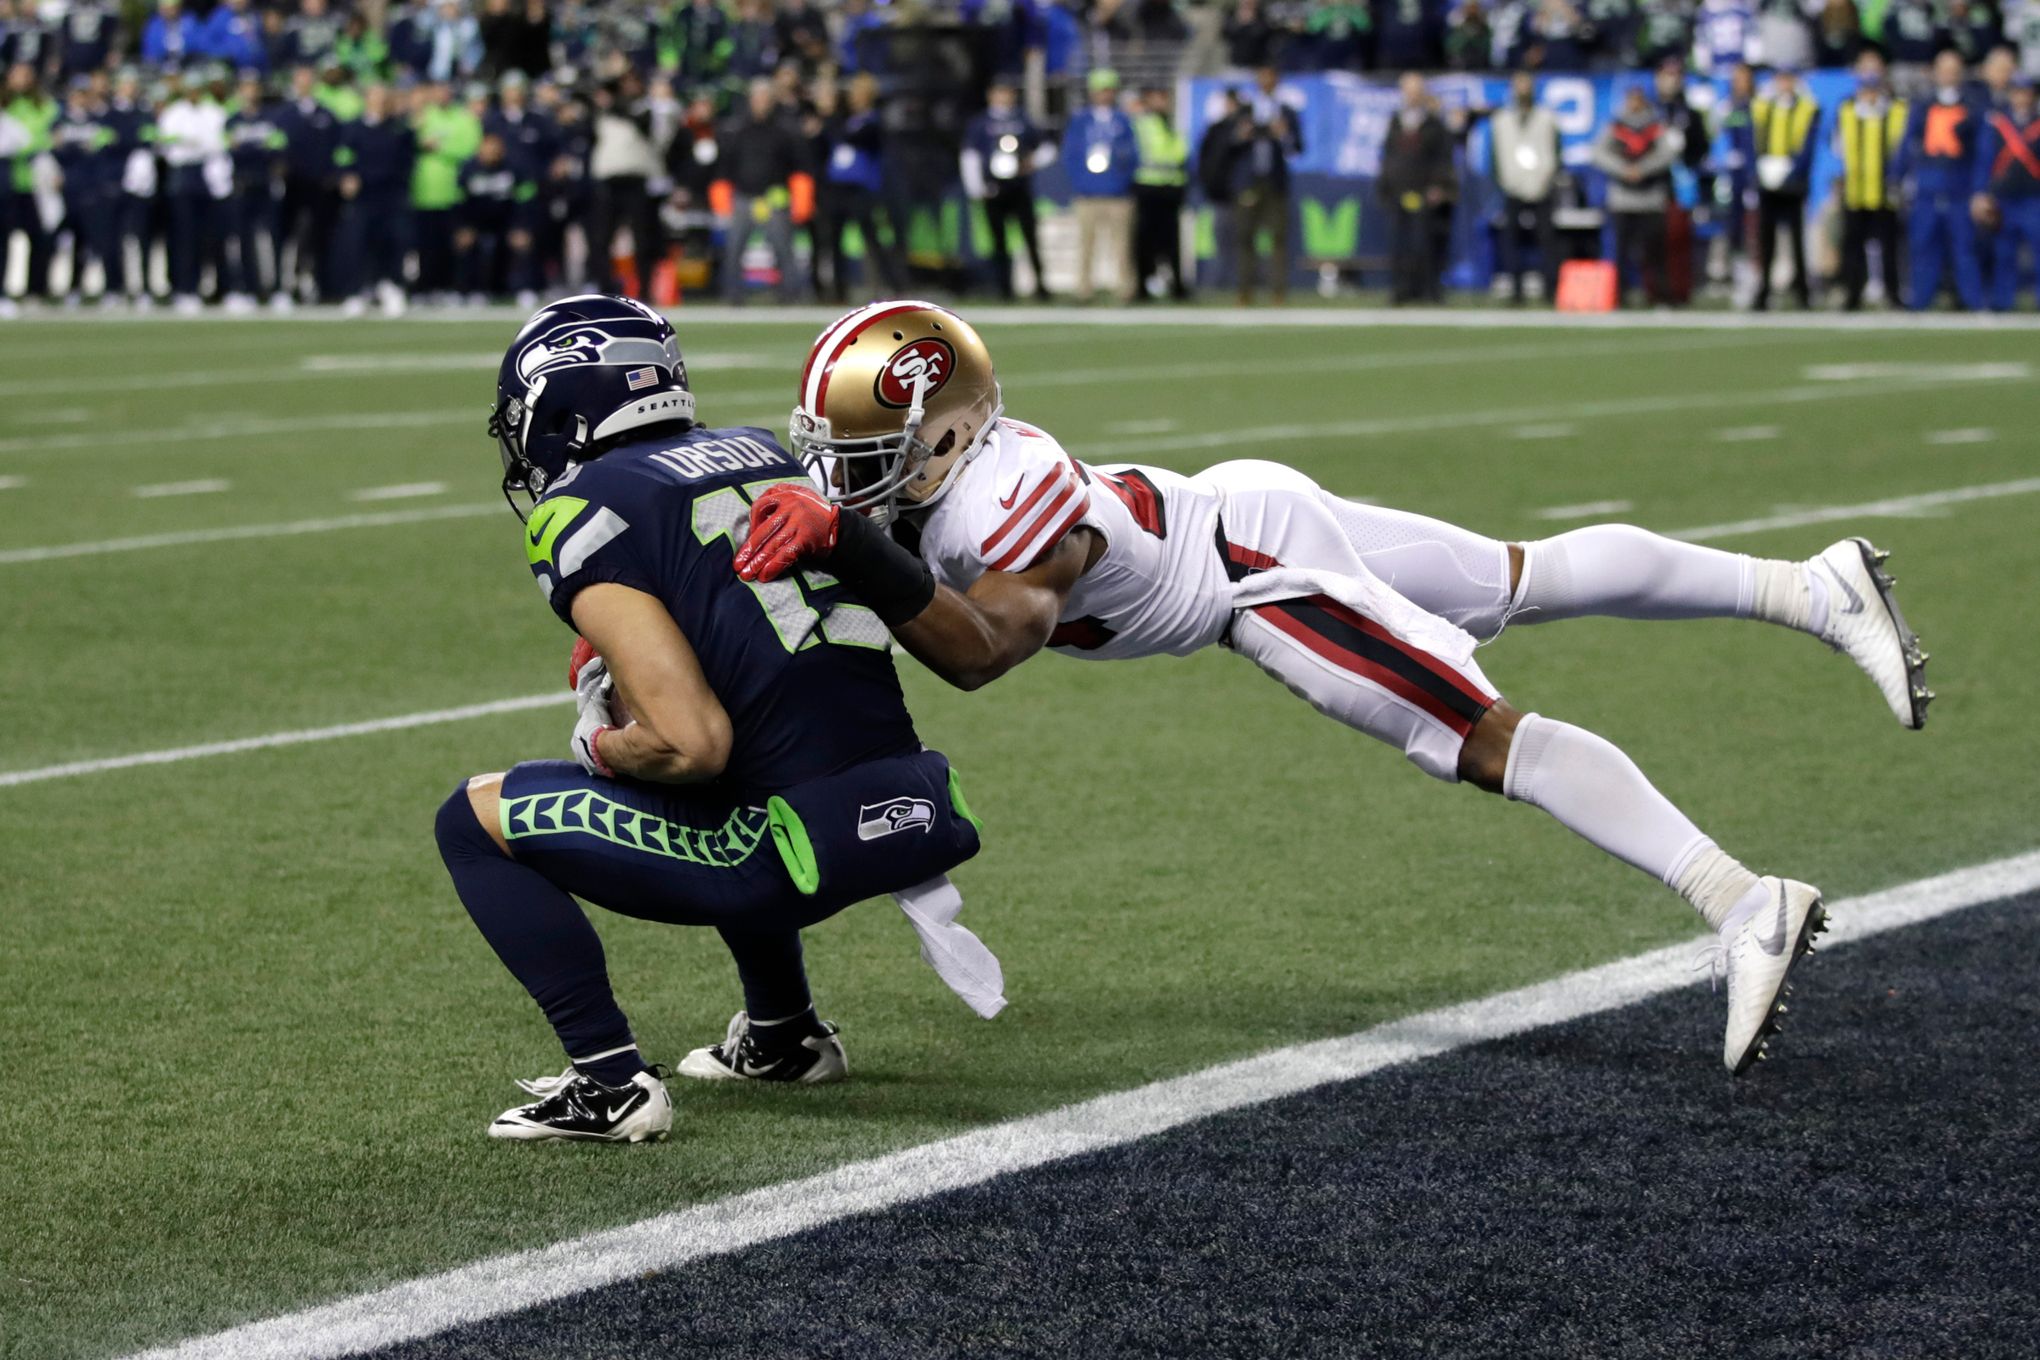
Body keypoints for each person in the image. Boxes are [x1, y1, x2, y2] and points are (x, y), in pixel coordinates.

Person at [739, 299, 1936, 1079]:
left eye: (861, 457)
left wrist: (847, 550)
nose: (841, 478)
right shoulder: (948, 483)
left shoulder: (1006, 496)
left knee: (1477, 734)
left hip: (1254, 573)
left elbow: (981, 650)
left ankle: (1741, 900)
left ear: (949, 433)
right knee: (1524, 575)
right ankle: (1814, 588)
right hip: (1240, 507)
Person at [441, 295, 993, 1142]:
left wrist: (603, 744)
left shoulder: (580, 508)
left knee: (472, 820)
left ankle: (609, 1084)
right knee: (753, 766)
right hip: (906, 805)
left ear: (562, 403)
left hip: (781, 844)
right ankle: (782, 1035)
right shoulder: (764, 453)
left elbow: (689, 743)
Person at [1904, 48, 1986, 309]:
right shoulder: (1923, 104)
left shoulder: (1973, 105)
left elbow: (1981, 152)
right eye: (1944, 70)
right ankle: (1920, 302)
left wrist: (1980, 189)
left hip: (1958, 187)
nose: (1948, 76)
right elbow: (1908, 143)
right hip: (1928, 187)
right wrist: (1897, 177)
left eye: (1953, 70)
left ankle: (1972, 301)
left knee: (1964, 249)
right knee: (1924, 247)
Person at [814, 72, 903, 302]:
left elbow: (856, 138)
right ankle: (838, 291)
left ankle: (893, 285)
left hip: (860, 188)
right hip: (837, 188)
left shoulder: (872, 122)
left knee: (872, 238)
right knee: (834, 240)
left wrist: (829, 117)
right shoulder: (844, 120)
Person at [961, 80, 1052, 300]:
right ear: (991, 94)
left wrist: (1032, 162)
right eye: (1000, 92)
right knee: (998, 240)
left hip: (1019, 186)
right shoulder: (981, 123)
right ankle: (1003, 287)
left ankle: (1040, 285)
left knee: (1030, 237)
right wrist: (976, 187)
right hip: (994, 187)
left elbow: (1047, 147)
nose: (1004, 97)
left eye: (1008, 92)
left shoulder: (1022, 119)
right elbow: (970, 155)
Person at [332, 80, 416, 316]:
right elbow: (342, 156)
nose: (380, 102)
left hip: (392, 194)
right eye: (375, 97)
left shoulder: (400, 128)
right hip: (364, 194)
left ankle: (391, 287)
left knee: (394, 241)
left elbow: (408, 160)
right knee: (358, 242)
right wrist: (346, 176)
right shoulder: (353, 128)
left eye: (383, 98)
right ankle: (356, 292)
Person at [1592, 83, 1680, 307]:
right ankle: (1619, 295)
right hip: (1623, 198)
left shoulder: (1655, 125)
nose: (1634, 103)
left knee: (1655, 252)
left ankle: (1660, 295)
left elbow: (1667, 152)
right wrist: (1623, 170)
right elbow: (1598, 153)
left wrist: (1643, 169)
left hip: (1650, 197)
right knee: (1621, 251)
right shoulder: (1616, 125)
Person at [1835, 49, 1909, 310]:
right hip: (1856, 188)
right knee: (1853, 245)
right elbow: (1837, 147)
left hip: (1884, 188)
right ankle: (1852, 293)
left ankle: (1893, 293)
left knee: (1889, 246)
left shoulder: (1896, 109)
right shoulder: (1847, 109)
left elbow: (1902, 148)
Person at [155, 66, 229, 314]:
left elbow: (217, 144)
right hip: (183, 175)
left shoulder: (213, 112)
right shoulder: (174, 113)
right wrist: (193, 145)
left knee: (210, 236)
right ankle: (185, 289)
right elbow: (169, 147)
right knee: (184, 236)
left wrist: (192, 144)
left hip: (208, 175)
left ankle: (214, 288)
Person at [1062, 67, 1137, 303]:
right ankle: (1084, 289)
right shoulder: (1081, 121)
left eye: (1108, 90)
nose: (1105, 94)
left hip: (1117, 194)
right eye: (1100, 90)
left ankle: (1125, 289)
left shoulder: (1122, 120)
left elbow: (1133, 154)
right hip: (1088, 193)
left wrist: (1122, 181)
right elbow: (1070, 155)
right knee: (1086, 246)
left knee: (1122, 247)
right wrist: (1082, 182)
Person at [1488, 69, 1561, 303]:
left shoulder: (1546, 117)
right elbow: (1495, 156)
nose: (1522, 89)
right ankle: (1516, 289)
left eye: (1526, 84)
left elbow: (1556, 151)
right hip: (1513, 185)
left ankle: (1552, 287)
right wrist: (1504, 180)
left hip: (1541, 184)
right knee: (1511, 238)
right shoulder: (1502, 119)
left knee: (1547, 237)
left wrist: (1547, 178)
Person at [1379, 71, 1452, 304]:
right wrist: (1386, 184)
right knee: (1399, 243)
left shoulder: (1433, 123)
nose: (1411, 96)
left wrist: (1438, 185)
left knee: (1426, 243)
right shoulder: (1396, 120)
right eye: (1408, 91)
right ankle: (1401, 289)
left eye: (1416, 91)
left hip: (1424, 188)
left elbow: (1442, 157)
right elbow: (1388, 155)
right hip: (1399, 188)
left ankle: (1429, 290)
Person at [1750, 63, 1819, 310]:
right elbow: (1755, 139)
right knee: (1765, 240)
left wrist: (1791, 171)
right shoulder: (1763, 105)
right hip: (1767, 181)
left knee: (1797, 240)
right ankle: (1763, 291)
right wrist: (1760, 168)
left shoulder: (1806, 106)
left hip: (1793, 182)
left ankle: (1802, 292)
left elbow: (1808, 144)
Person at [1232, 65, 1302, 305]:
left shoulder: (1287, 112)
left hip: (1274, 182)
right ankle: (1244, 291)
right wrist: (1243, 135)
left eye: (1271, 78)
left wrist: (1283, 134)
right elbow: (1232, 145)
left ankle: (1278, 292)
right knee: (1245, 237)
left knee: (1278, 238)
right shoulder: (1245, 111)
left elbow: (1297, 149)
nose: (1266, 82)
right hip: (1249, 181)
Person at [222, 69, 286, 312]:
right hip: (242, 183)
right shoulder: (232, 119)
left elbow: (276, 150)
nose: (250, 91)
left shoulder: (271, 118)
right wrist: (256, 148)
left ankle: (276, 289)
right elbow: (233, 152)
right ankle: (245, 289)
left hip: (265, 183)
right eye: (245, 86)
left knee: (273, 239)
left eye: (253, 86)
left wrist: (249, 147)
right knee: (242, 240)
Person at [1975, 71, 2040, 308]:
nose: (2021, 98)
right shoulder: (1997, 122)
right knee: (2004, 253)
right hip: (2005, 198)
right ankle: (2003, 301)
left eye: (2025, 93)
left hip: (2034, 197)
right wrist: (1982, 192)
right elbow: (1985, 160)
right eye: (2017, 92)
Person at [1131, 84, 1190, 301]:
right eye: (1156, 98)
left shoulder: (1173, 123)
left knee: (1172, 242)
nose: (1161, 103)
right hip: (1148, 188)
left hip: (1171, 188)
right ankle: (1143, 285)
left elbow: (1180, 154)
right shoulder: (1141, 123)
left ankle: (1177, 286)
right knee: (1145, 242)